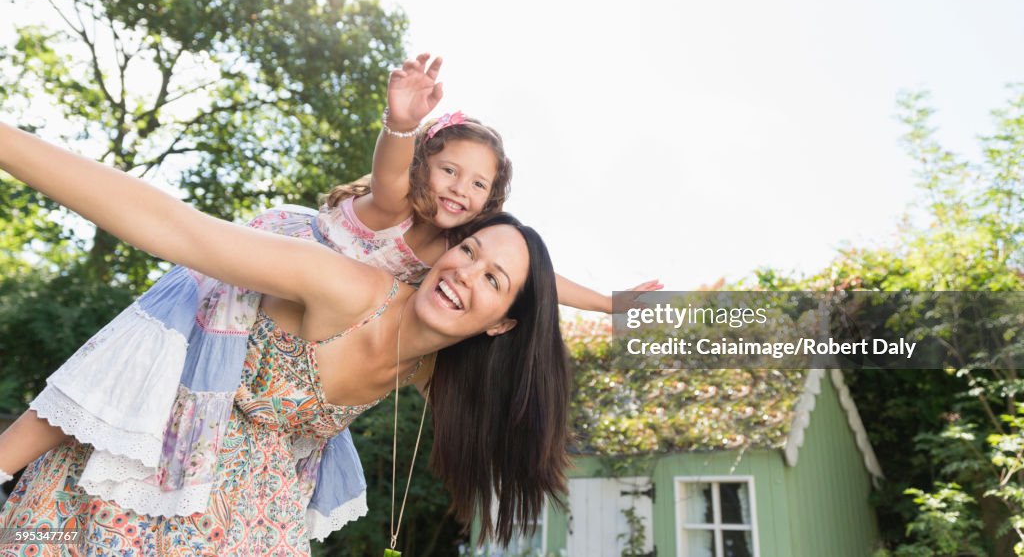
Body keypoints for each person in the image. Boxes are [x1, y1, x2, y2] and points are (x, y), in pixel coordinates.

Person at [0, 54, 659, 494]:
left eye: (477, 185)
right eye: (449, 169)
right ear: (429, 165)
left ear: (491, 206)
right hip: (251, 273)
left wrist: (608, 304)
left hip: (293, 354)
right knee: (130, 364)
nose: (457, 189)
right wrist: (400, 124)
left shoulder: (457, 254)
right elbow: (180, 227)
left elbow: (533, 280)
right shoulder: (399, 203)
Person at [0, 121, 570, 554]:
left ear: (502, 324)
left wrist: (625, 308)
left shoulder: (436, 370)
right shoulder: (348, 288)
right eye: (468, 251)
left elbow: (540, 296)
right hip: (152, 466)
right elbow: (174, 227)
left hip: (251, 513)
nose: (467, 273)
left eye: (492, 279)